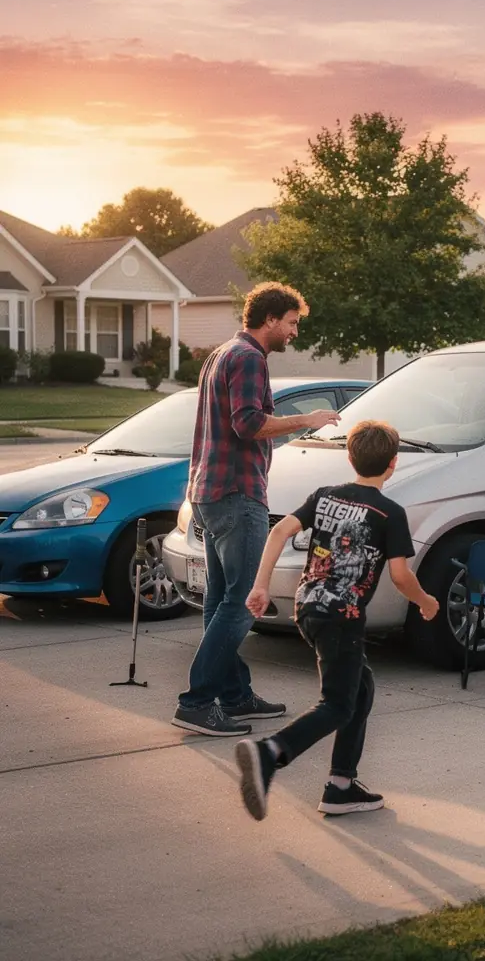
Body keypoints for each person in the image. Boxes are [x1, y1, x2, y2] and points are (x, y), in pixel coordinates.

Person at [234, 420, 439, 821]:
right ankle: (269, 753)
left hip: (308, 606)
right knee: (338, 705)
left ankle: (341, 786)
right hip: (341, 617)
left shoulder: (324, 495)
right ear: (393, 463)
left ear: (350, 457)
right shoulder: (390, 513)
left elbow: (278, 532)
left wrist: (261, 586)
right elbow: (400, 575)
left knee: (360, 687)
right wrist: (426, 601)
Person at [171, 282, 340, 738]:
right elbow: (247, 424)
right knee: (244, 602)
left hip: (208, 492)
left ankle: (235, 694)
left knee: (221, 602)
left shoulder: (222, 354)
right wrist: (306, 420)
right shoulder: (248, 358)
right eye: (291, 323)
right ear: (270, 319)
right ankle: (197, 702)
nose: (294, 333)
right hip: (235, 493)